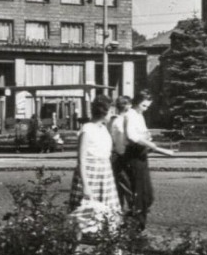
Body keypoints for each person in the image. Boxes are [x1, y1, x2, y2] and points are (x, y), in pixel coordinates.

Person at [121, 89, 176, 235]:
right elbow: (132, 136)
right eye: (144, 106)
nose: (145, 109)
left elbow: (144, 134)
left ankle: (132, 223)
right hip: (133, 156)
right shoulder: (130, 115)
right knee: (140, 194)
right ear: (137, 103)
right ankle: (135, 228)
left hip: (141, 156)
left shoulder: (139, 115)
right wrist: (153, 145)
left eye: (147, 106)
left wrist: (148, 140)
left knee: (147, 195)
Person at [68, 95, 122, 231]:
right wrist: (85, 186)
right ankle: (75, 248)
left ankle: (108, 247)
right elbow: (81, 159)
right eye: (111, 111)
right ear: (103, 112)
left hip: (105, 173)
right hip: (90, 174)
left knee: (109, 213)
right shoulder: (87, 129)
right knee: (84, 216)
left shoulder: (103, 128)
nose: (113, 114)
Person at [109, 95, 133, 212]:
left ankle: (120, 215)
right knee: (129, 188)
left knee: (120, 189)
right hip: (124, 157)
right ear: (127, 106)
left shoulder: (113, 121)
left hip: (116, 157)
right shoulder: (124, 121)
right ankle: (133, 217)